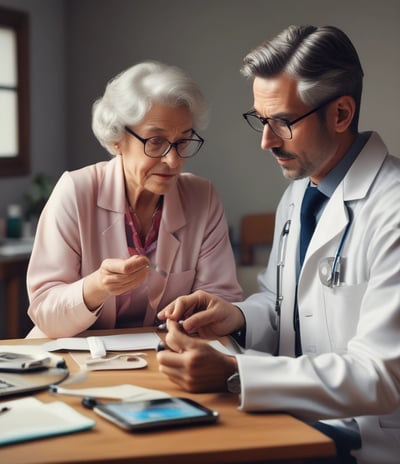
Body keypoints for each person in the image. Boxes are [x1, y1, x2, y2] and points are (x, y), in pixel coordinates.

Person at [156, 25, 400, 464]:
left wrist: (236, 372)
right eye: (261, 120)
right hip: (297, 426)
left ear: (341, 114)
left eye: (283, 122)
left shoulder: (393, 209)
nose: (266, 141)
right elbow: (281, 301)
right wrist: (235, 318)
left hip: (368, 444)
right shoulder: (300, 193)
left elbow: (381, 375)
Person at [26, 61, 242, 338]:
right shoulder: (76, 190)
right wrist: (97, 286)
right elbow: (45, 310)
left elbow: (223, 300)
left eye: (183, 142)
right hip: (72, 355)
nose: (173, 160)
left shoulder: (203, 197)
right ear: (117, 139)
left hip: (162, 357)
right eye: (155, 141)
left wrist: (196, 315)